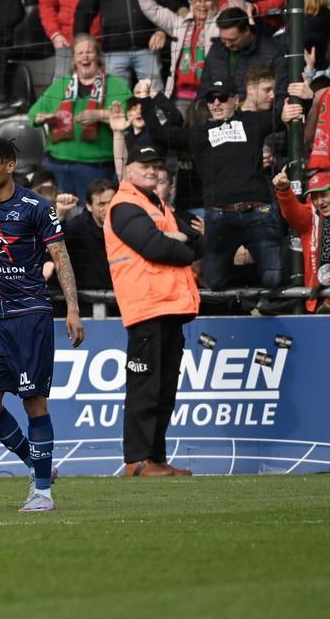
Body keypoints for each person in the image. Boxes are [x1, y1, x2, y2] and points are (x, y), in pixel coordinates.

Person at [0, 137, 84, 512]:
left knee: (34, 404)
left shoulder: (36, 207)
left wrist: (73, 309)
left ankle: (43, 492)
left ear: (10, 167)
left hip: (32, 316)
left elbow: (60, 258)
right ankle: (36, 462)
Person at [138, 73, 306, 293]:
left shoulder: (252, 120)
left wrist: (302, 99)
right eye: (211, 99)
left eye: (222, 97)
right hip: (219, 217)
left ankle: (258, 294)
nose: (216, 103)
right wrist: (145, 99)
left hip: (258, 212)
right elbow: (161, 134)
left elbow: (283, 116)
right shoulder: (199, 133)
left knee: (273, 278)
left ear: (236, 99)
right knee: (215, 281)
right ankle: (250, 295)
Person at [103, 143, 201, 477]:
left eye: (156, 165)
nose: (152, 170)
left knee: (164, 389)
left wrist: (179, 238)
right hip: (146, 306)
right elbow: (155, 247)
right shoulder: (124, 205)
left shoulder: (155, 205)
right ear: (128, 169)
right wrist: (181, 244)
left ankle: (156, 457)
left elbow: (199, 239)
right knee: (145, 389)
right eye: (144, 164)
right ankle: (137, 461)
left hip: (170, 305)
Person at [28, 33, 131, 198]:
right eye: (80, 53)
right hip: (57, 166)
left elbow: (128, 116)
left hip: (96, 169)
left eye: (89, 52)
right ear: (74, 60)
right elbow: (33, 114)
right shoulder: (60, 85)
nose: (85, 57)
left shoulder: (117, 85)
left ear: (98, 56)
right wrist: (43, 118)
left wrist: (99, 114)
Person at [134, 0, 220, 110]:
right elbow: (150, 8)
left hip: (210, 98)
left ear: (215, 3)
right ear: (190, 3)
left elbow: (236, 16)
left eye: (207, 0)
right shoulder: (179, 23)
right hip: (179, 98)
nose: (202, 4)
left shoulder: (220, 24)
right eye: (197, 0)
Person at [273, 169, 330, 313]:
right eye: (315, 197)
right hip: (318, 299)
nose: (320, 202)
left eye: (324, 195)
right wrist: (284, 190)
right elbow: (293, 212)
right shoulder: (310, 220)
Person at [202, 5, 288, 98]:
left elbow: (281, 91)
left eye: (233, 40)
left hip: (255, 111)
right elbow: (204, 87)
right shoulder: (216, 49)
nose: (227, 44)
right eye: (223, 39)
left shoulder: (272, 52)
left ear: (247, 31)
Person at [64, 178, 117, 296]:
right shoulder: (77, 226)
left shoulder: (126, 225)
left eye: (111, 202)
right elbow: (56, 244)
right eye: (101, 204)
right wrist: (60, 215)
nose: (108, 208)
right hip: (86, 298)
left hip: (120, 297)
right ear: (89, 206)